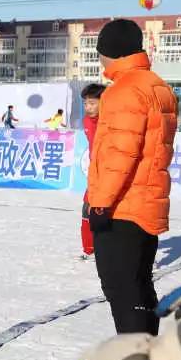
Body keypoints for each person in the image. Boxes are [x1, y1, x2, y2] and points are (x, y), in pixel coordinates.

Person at [87, 18, 177, 335]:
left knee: (122, 290)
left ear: (109, 52)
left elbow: (119, 156)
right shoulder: (158, 86)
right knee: (139, 287)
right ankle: (148, 357)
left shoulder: (123, 92)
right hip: (146, 204)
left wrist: (99, 205)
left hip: (122, 208)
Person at [79, 84, 105, 260]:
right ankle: (88, 248)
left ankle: (105, 247)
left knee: (103, 212)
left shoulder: (110, 122)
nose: (88, 107)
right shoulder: (87, 121)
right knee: (86, 209)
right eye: (86, 103)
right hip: (95, 173)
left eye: (92, 103)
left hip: (109, 173)